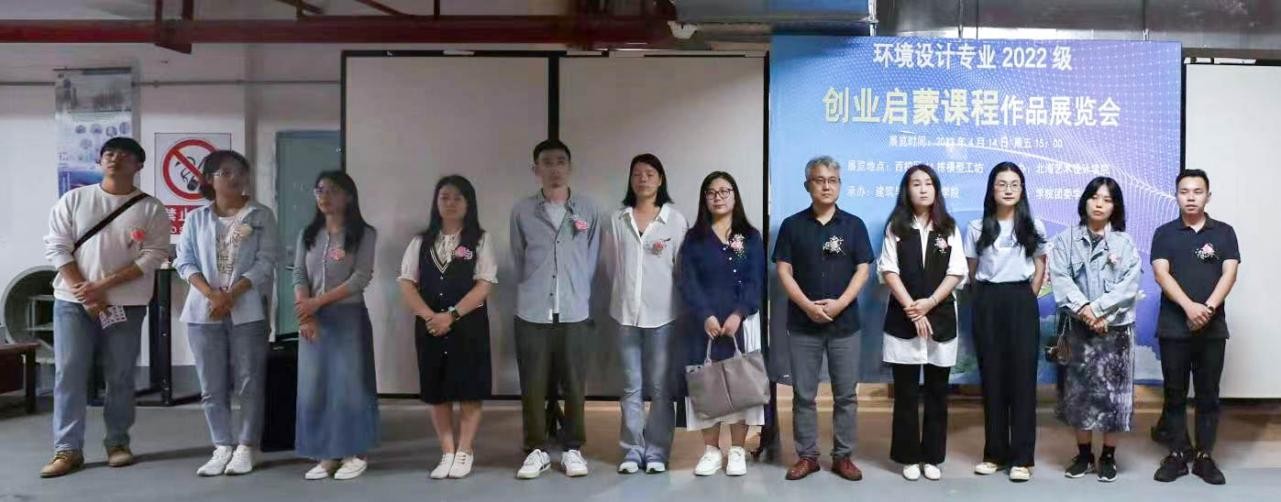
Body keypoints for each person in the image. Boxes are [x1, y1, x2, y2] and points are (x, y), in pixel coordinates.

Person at [40, 137, 170, 478]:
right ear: (100, 161)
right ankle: (67, 449)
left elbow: (154, 255)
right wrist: (85, 292)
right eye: (109, 154)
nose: (115, 159)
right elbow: (57, 247)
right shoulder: (74, 199)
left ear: (138, 166)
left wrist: (102, 286)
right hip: (72, 302)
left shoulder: (151, 208)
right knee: (69, 373)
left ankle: (117, 443)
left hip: (127, 304)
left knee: (121, 374)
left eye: (124, 155)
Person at [174, 150, 279, 476]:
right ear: (210, 179)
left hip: (247, 308)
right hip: (203, 311)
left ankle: (247, 446)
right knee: (211, 383)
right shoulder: (197, 218)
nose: (236, 178)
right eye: (226, 172)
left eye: (240, 172)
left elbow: (266, 261)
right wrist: (212, 294)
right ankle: (221, 445)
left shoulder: (261, 215)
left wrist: (231, 294)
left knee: (250, 381)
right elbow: (184, 261)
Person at [773, 156, 872, 482]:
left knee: (846, 395)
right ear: (808, 185)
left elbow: (863, 269)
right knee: (804, 394)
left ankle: (843, 457)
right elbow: (783, 270)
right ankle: (807, 456)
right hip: (803, 324)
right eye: (819, 180)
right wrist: (807, 306)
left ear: (839, 185)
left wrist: (840, 304)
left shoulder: (853, 225)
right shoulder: (792, 225)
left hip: (845, 325)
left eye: (832, 180)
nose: (826, 186)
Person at [510, 139, 602, 479]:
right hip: (533, 310)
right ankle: (535, 449)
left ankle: (572, 448)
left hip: (575, 310)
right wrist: (535, 288)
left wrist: (577, 291)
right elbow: (518, 257)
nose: (554, 169)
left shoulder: (588, 210)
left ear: (570, 167)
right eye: (547, 162)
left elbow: (591, 258)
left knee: (575, 384)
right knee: (533, 385)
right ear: (535, 169)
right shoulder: (522, 211)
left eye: (561, 161)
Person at [398, 175, 497, 480]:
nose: (450, 203)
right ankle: (447, 451)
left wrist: (451, 316)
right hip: (430, 327)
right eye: (444, 197)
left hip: (468, 326)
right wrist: (430, 316)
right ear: (436, 202)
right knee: (437, 390)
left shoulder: (479, 239)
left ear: (469, 203)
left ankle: (465, 450)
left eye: (457, 198)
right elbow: (407, 283)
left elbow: (484, 284)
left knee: (469, 389)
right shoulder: (420, 241)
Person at [1048, 177, 1141, 483]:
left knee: (1114, 396)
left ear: (1115, 207)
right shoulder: (1065, 240)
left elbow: (1129, 285)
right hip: (1079, 328)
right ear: (1085, 201)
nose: (1100, 204)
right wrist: (1086, 311)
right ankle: (1084, 455)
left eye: (1107, 199)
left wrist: (1099, 311)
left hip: (1115, 330)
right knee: (1079, 394)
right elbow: (1060, 277)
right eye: (1094, 197)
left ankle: (1108, 456)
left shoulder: (1124, 243)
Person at [878, 164, 966, 481]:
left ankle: (932, 457)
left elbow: (957, 272)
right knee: (905, 393)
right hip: (904, 318)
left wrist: (928, 304)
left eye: (928, 183)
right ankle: (908, 457)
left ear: (936, 189)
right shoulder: (896, 227)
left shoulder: (949, 227)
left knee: (937, 392)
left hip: (940, 316)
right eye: (916, 183)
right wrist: (913, 310)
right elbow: (889, 270)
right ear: (907, 190)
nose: (923, 189)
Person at [1151, 169, 1239, 486]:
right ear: (1176, 196)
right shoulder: (1164, 233)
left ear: (1207, 196)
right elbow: (1161, 273)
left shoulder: (1224, 233)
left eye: (1197, 191)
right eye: (1184, 191)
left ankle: (1204, 456)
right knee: (1174, 393)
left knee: (1208, 395)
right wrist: (1189, 307)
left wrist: (1208, 309)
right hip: (1173, 327)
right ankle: (1176, 454)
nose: (1190, 197)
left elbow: (1229, 273)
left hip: (1212, 330)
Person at [603, 154, 688, 474]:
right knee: (631, 387)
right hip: (625, 314)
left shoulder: (674, 220)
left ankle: (657, 452)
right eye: (637, 174)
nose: (643, 179)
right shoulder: (618, 219)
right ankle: (632, 450)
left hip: (664, 315)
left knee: (661, 387)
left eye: (650, 173)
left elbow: (681, 269)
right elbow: (611, 266)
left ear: (660, 179)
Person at [292, 171, 379, 481]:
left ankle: (355, 452)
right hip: (313, 319)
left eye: (332, 190)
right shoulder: (307, 234)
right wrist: (306, 314)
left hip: (348, 317)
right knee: (315, 387)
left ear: (348, 196)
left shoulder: (364, 233)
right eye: (319, 190)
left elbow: (360, 277)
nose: (324, 196)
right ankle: (326, 453)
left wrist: (318, 302)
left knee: (349, 386)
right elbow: (299, 274)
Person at [678, 171, 766, 477]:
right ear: (704, 198)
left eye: (724, 191)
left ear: (734, 195)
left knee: (741, 384)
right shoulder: (694, 238)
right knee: (708, 384)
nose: (718, 197)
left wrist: (739, 313)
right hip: (704, 325)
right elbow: (688, 281)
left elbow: (755, 279)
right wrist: (705, 315)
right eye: (711, 192)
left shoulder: (749, 236)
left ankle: (737, 449)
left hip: (740, 322)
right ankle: (712, 451)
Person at [964, 161, 1048, 482]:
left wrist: (1028, 295)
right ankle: (994, 454)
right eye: (1002, 184)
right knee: (993, 378)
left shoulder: (1033, 226)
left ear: (1022, 190)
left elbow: (1040, 264)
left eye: (1015, 184)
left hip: (1021, 300)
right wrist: (984, 298)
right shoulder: (977, 227)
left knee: (1023, 380)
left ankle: (1022, 459)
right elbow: (971, 270)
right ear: (992, 189)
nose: (1008, 189)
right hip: (988, 300)